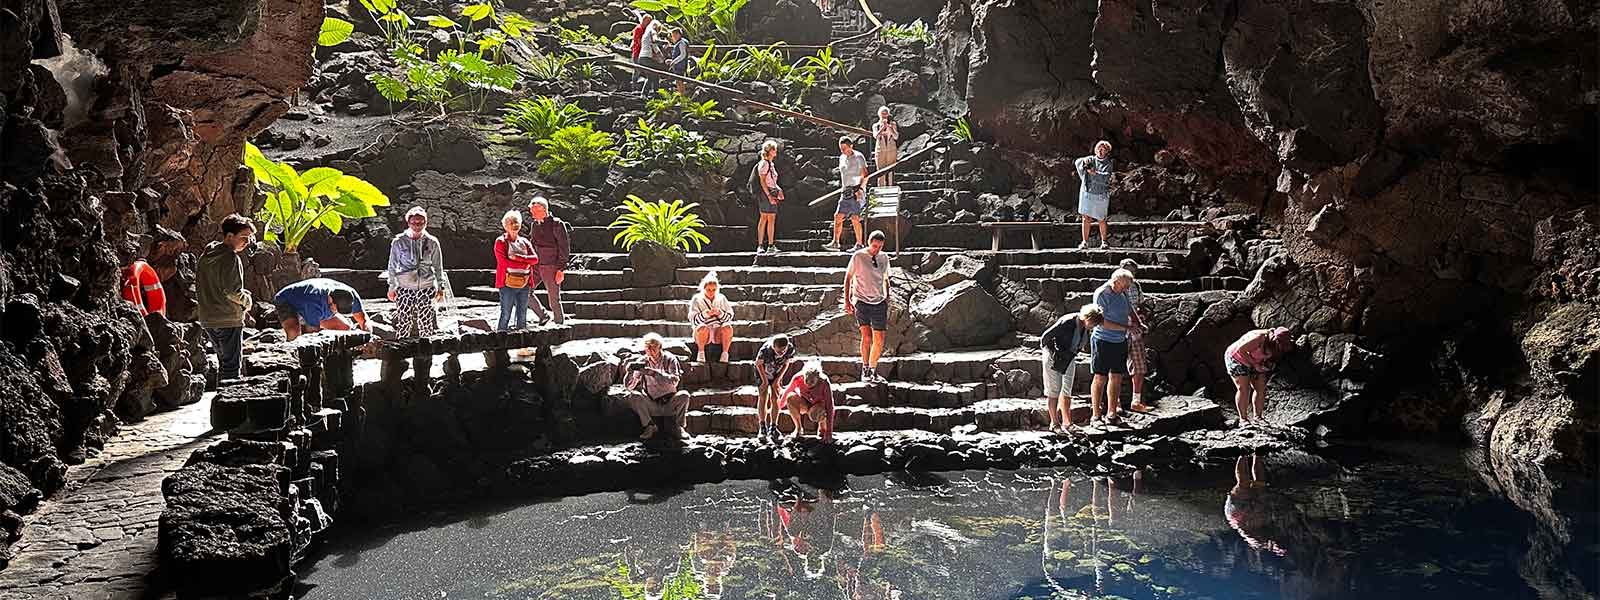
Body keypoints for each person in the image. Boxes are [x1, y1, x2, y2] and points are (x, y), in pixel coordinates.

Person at [195, 214, 256, 381]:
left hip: (208, 319)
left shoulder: (207, 256)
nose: (247, 242)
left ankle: (222, 403)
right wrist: (247, 301)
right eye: (244, 237)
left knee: (224, 362)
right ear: (229, 236)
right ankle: (230, 404)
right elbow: (231, 291)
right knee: (231, 368)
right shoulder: (230, 257)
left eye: (249, 238)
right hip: (227, 319)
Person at [1039, 304, 1103, 433]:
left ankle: (1067, 422)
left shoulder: (1084, 327)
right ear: (1088, 318)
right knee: (1054, 391)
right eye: (1094, 323)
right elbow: (1045, 338)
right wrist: (1054, 354)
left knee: (1067, 390)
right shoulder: (1068, 321)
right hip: (1055, 357)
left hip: (1069, 357)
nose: (1094, 327)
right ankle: (1054, 423)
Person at [386, 206, 446, 338]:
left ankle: (426, 351)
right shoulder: (399, 241)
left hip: (426, 285)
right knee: (404, 321)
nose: (417, 226)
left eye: (420, 223)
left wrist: (440, 287)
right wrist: (392, 287)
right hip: (405, 286)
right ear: (408, 223)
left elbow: (438, 266)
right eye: (414, 223)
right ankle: (400, 351)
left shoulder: (432, 242)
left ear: (426, 223)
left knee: (426, 321)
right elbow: (392, 265)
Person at [1089, 269, 1135, 426]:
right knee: (1100, 377)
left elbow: (1129, 308)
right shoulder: (1102, 294)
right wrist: (1127, 328)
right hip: (1103, 340)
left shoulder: (1123, 292)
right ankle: (1096, 416)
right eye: (1124, 287)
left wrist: (1137, 322)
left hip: (1119, 341)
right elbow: (1101, 322)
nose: (1126, 290)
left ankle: (1112, 413)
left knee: (1116, 377)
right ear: (1115, 282)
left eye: (1127, 287)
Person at [624, 333, 691, 440]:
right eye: (648, 348)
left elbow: (674, 381)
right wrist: (629, 372)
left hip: (670, 402)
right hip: (652, 404)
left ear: (660, 347)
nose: (650, 351)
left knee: (684, 395)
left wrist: (654, 373)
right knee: (633, 396)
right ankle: (650, 426)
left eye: (653, 347)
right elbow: (629, 387)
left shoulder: (670, 359)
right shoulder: (642, 361)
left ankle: (679, 427)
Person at [843, 231, 891, 382]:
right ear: (869, 243)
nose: (877, 249)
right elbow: (848, 277)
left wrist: (888, 296)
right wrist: (847, 300)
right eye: (875, 246)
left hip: (879, 301)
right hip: (862, 300)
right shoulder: (858, 256)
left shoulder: (884, 257)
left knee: (880, 339)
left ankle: (873, 369)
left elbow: (886, 278)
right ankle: (865, 369)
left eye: (880, 247)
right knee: (867, 336)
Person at [1225, 327, 1295, 426]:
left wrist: (1266, 365)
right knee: (1244, 388)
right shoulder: (1259, 338)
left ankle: (1258, 417)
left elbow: (1270, 357)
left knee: (1260, 388)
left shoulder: (1277, 345)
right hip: (1237, 358)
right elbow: (1241, 350)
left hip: (1255, 361)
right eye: (1283, 344)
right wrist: (1255, 365)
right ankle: (1243, 420)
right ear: (1276, 340)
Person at [273, 277, 370, 341]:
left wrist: (368, 338)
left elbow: (364, 320)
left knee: (344, 328)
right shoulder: (313, 302)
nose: (336, 312)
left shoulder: (352, 294)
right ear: (330, 300)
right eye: (336, 309)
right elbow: (313, 335)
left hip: (315, 305)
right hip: (287, 300)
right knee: (294, 333)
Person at [526, 196, 571, 324]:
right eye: (532, 211)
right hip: (536, 265)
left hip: (551, 266)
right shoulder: (534, 225)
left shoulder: (557, 224)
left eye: (535, 210)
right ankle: (543, 315)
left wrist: (561, 269)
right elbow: (532, 243)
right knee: (524, 290)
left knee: (554, 299)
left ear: (544, 210)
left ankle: (559, 324)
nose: (532, 213)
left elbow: (564, 247)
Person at [494, 210, 538, 331]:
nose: (515, 225)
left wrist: (519, 258)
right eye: (511, 222)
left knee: (522, 314)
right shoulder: (500, 242)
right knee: (506, 314)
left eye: (517, 222)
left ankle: (522, 346)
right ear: (505, 225)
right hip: (507, 284)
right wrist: (525, 264)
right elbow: (503, 262)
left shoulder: (525, 242)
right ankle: (499, 343)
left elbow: (535, 259)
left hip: (524, 284)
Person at [1118, 258, 1153, 413]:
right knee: (1116, 367)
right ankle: (1116, 402)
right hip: (1119, 331)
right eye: (1127, 270)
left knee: (1139, 366)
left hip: (1135, 330)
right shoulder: (1115, 288)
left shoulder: (1136, 286)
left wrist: (1141, 316)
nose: (1130, 273)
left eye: (1132, 271)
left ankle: (1136, 401)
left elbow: (1141, 304)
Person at [826, 136, 869, 252]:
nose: (843, 151)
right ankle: (835, 242)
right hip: (845, 190)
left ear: (851, 146)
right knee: (838, 216)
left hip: (856, 190)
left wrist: (860, 189)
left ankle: (859, 244)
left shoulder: (859, 157)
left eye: (844, 148)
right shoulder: (842, 158)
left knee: (855, 217)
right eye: (841, 149)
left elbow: (865, 174)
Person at [754, 333, 798, 441]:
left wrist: (777, 380)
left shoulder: (789, 349)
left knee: (775, 397)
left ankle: (773, 427)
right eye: (779, 351)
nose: (781, 353)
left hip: (777, 372)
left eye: (783, 351)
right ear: (773, 347)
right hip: (762, 371)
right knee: (763, 396)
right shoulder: (765, 351)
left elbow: (786, 364)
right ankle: (762, 426)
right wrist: (764, 381)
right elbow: (758, 364)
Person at [779, 361, 834, 442]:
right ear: (803, 376)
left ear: (818, 379)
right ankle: (798, 428)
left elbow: (830, 406)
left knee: (818, 415)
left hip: (819, 406)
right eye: (806, 380)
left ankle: (822, 427)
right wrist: (780, 405)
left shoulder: (824, 382)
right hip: (805, 403)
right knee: (790, 398)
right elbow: (787, 391)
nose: (808, 384)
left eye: (812, 382)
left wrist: (829, 432)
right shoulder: (798, 378)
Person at [1075, 140, 1115, 249]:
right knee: (1086, 218)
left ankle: (1104, 242)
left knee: (1101, 218)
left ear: (1107, 151)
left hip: (1101, 194)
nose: (1100, 151)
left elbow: (1105, 177)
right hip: (1087, 192)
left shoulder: (1108, 163)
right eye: (1098, 149)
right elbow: (1078, 162)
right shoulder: (1091, 159)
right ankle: (1084, 242)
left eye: (1103, 149)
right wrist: (1085, 160)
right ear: (1095, 150)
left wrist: (1094, 174)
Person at [688, 271, 734, 363]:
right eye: (709, 290)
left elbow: (730, 316)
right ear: (704, 288)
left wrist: (719, 313)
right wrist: (705, 314)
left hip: (718, 330)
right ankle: (701, 352)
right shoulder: (697, 299)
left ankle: (725, 353)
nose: (711, 292)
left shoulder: (721, 298)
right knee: (702, 327)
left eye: (713, 290)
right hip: (704, 332)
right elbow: (693, 319)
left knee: (728, 327)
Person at [754, 140, 784, 256]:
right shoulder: (764, 163)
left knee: (771, 218)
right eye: (774, 149)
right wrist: (769, 196)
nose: (776, 151)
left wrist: (778, 190)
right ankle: (760, 245)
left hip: (772, 192)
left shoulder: (771, 164)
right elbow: (762, 181)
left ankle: (771, 245)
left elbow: (772, 180)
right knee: (764, 218)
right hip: (765, 193)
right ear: (770, 151)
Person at [635, 14, 661, 97]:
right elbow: (655, 40)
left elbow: (655, 47)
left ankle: (646, 94)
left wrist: (659, 55)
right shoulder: (652, 31)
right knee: (654, 75)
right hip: (646, 58)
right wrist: (665, 43)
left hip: (642, 58)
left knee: (651, 76)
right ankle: (655, 94)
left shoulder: (646, 33)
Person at [871, 106, 898, 186]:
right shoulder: (875, 125)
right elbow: (875, 136)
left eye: (886, 114)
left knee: (891, 170)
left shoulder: (893, 124)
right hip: (880, 150)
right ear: (879, 114)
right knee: (880, 171)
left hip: (891, 149)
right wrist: (882, 128)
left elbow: (896, 137)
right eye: (883, 113)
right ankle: (881, 188)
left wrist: (890, 128)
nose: (884, 115)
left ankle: (891, 187)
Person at [667, 28, 690, 96]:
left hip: (680, 65)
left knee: (680, 81)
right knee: (678, 81)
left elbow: (683, 55)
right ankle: (681, 95)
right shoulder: (679, 43)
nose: (673, 37)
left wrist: (674, 62)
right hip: (679, 64)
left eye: (674, 35)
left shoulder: (681, 43)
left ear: (678, 34)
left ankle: (682, 95)